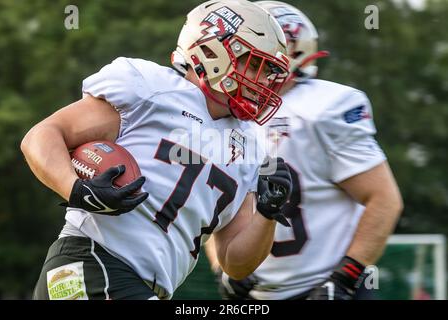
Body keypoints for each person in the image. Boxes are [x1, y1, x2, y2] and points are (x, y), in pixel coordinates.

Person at [21, 0, 294, 300]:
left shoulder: (250, 146)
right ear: (213, 49)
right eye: (256, 63)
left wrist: (268, 213)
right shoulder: (151, 89)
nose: (265, 80)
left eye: (269, 71)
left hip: (143, 288)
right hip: (89, 261)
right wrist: (76, 189)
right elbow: (43, 135)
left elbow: (234, 262)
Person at [206, 1, 404, 300]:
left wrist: (345, 278)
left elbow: (384, 200)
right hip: (256, 293)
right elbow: (215, 203)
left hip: (326, 288)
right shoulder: (221, 113)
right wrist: (221, 265)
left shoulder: (325, 107)